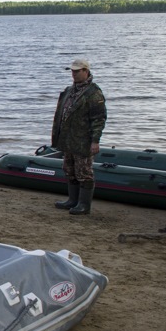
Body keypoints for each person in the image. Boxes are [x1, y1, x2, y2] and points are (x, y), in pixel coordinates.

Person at [51, 58, 107, 215]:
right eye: (72, 71)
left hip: (83, 140)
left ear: (86, 71)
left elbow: (99, 119)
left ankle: (84, 205)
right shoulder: (69, 91)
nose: (74, 74)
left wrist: (95, 140)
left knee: (84, 171)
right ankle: (72, 200)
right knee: (69, 169)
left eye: (77, 71)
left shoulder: (93, 93)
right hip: (68, 138)